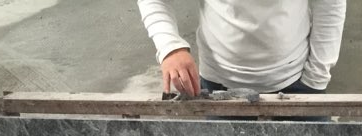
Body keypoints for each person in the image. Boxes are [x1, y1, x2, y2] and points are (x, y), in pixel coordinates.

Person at [136, 0, 346, 97]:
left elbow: (330, 4)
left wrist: (316, 76)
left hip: (298, 82)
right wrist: (171, 48)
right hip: (218, 85)